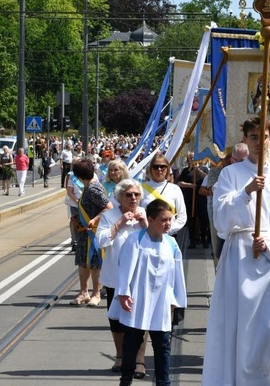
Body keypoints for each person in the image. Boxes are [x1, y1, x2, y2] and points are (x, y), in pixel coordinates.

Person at [202, 116, 270, 385]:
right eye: (253, 137)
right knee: (236, 325)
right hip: (239, 259)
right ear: (244, 139)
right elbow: (220, 219)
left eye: (263, 136)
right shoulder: (231, 174)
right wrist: (246, 192)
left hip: (268, 261)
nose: (258, 142)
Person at [116, 199, 187, 386]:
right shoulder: (136, 239)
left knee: (162, 346)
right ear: (150, 219)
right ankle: (125, 380)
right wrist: (123, 293)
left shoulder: (171, 244)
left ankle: (164, 382)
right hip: (138, 300)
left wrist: (176, 299)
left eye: (170, 219)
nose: (168, 224)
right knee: (131, 344)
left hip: (161, 302)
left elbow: (177, 275)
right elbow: (124, 268)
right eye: (164, 220)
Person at [97, 179, 147, 375]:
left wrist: (144, 224)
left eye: (136, 194)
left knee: (140, 320)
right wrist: (120, 223)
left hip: (140, 276)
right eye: (128, 195)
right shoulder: (109, 216)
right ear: (119, 197)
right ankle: (120, 356)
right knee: (117, 320)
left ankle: (140, 360)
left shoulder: (145, 213)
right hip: (116, 278)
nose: (133, 198)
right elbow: (101, 241)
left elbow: (159, 240)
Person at [69, 158, 112, 307]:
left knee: (94, 264)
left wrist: (94, 219)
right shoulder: (88, 187)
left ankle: (96, 294)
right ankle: (84, 292)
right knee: (82, 262)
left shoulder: (94, 188)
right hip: (83, 232)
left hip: (93, 233)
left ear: (80, 176)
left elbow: (109, 207)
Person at [199, 143, 249, 268]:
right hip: (221, 219)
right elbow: (210, 190)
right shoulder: (217, 173)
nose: (225, 160)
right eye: (224, 157)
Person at [139, 154, 188, 247]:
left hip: (169, 237)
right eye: (155, 167)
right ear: (151, 169)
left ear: (168, 169)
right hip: (146, 236)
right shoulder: (141, 188)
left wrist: (168, 230)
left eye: (162, 166)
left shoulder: (175, 189)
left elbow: (182, 216)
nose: (159, 169)